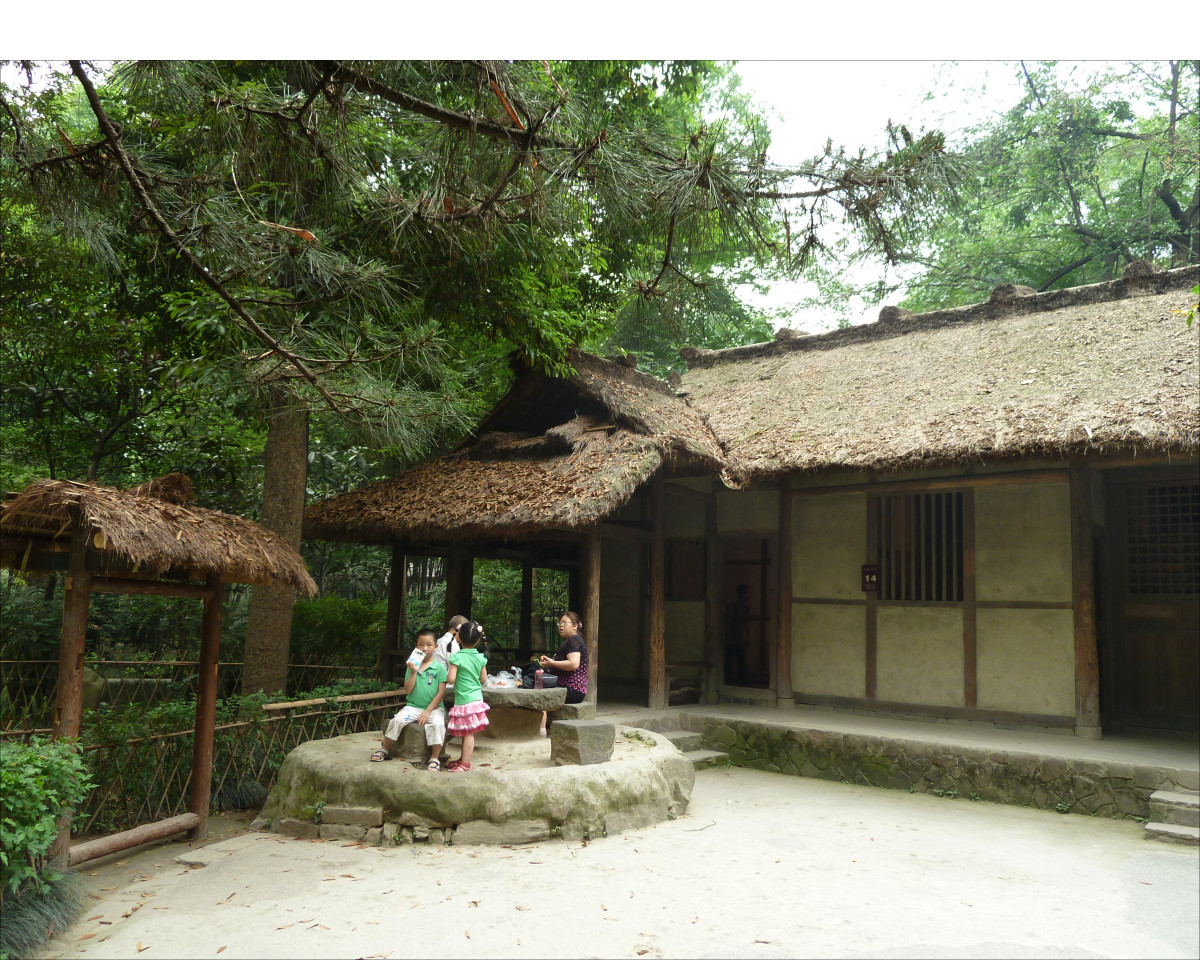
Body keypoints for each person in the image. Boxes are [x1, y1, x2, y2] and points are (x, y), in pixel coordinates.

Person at [372, 628, 447, 770]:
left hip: (434, 709)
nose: (425, 648)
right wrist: (413, 671)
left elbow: (441, 692)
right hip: (413, 706)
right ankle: (385, 749)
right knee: (397, 720)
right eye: (421, 644)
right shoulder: (411, 666)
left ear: (436, 647)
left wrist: (428, 711)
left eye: (429, 645)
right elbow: (408, 689)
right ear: (416, 646)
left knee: (437, 725)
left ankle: (435, 757)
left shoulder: (440, 668)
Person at [444, 620, 489, 772]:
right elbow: (483, 679)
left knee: (468, 733)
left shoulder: (457, 657)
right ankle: (463, 759)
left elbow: (450, 679)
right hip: (476, 699)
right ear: (477, 640)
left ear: (460, 638)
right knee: (466, 732)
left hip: (464, 700)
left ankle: (466, 764)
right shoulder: (481, 658)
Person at [537, 611, 588, 736]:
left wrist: (552, 663)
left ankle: (542, 731)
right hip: (570, 688)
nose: (561, 625)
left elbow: (573, 664)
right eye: (560, 623)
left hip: (572, 689)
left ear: (575, 626)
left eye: (565, 622)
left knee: (539, 692)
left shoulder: (574, 641)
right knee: (538, 683)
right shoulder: (571, 640)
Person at [724, 584, 750, 686]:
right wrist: (728, 639)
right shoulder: (733, 608)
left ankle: (744, 683)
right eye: (747, 592)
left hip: (739, 639)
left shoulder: (745, 608)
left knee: (741, 662)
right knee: (729, 662)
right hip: (732, 639)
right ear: (743, 594)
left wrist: (747, 637)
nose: (749, 594)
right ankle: (727, 682)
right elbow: (728, 624)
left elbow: (745, 624)